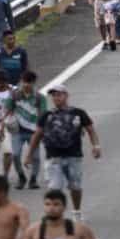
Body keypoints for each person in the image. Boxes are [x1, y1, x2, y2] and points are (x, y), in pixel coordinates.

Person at [24, 84, 101, 222]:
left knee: (75, 187)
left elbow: (90, 130)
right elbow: (37, 135)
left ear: (66, 95)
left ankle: (77, 211)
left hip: (74, 156)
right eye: (53, 95)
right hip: (54, 157)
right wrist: (29, 154)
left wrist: (96, 145)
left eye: (59, 94)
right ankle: (55, 214)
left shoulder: (78, 113)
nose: (56, 98)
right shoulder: (46, 115)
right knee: (54, 189)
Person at [6, 71, 45, 190]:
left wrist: (42, 130)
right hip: (17, 131)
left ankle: (33, 179)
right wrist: (4, 125)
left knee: (36, 157)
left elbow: (43, 114)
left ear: (33, 83)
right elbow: (8, 109)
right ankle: (21, 176)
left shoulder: (39, 97)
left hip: (33, 131)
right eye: (23, 81)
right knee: (15, 154)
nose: (25, 85)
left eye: (28, 82)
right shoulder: (14, 95)